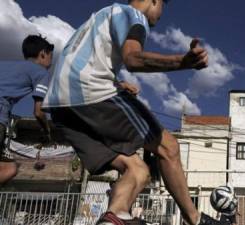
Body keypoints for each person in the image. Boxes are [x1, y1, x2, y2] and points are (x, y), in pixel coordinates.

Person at [43, 0, 223, 225]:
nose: (159, 16)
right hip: (90, 91)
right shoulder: (133, 16)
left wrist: (117, 84)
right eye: (162, 7)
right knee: (169, 148)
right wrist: (182, 62)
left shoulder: (101, 15)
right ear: (154, 1)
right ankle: (196, 220)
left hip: (61, 107)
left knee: (138, 169)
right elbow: (133, 59)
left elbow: (86, 60)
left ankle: (115, 216)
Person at [0, 35, 54, 185]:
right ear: (43, 53)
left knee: (8, 168)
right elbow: (38, 111)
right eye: (51, 56)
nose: (51, 61)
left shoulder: (4, 65)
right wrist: (47, 131)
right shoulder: (41, 72)